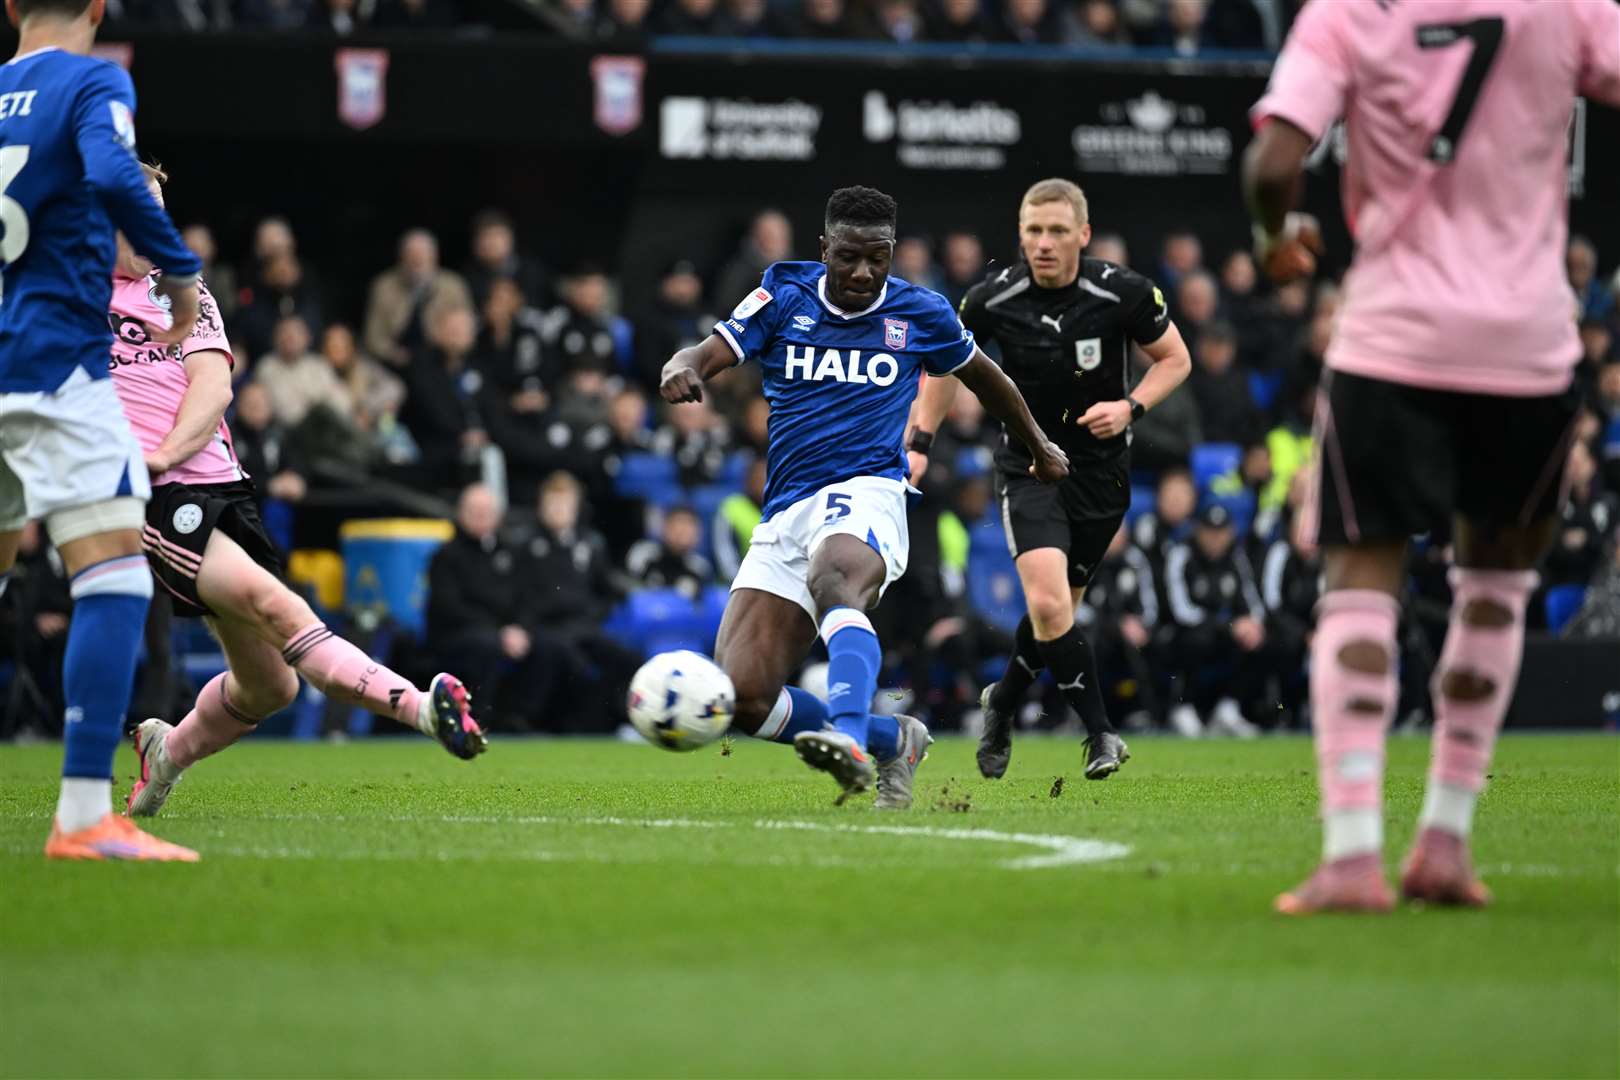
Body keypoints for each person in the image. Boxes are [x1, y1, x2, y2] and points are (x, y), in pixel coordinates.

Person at [1244, 0, 1620, 914]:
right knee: (1495, 588)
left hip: (1392, 341)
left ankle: (1351, 856)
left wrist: (1274, 237)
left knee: (1361, 580)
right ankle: (1446, 843)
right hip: (1529, 347)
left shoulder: (1346, 11)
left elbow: (1274, 164)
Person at [660, 185, 1068, 808]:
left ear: (892, 252)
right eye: (849, 256)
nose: (863, 272)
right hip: (786, 508)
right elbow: (707, 351)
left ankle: (848, 739)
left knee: (836, 575)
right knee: (742, 697)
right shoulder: (782, 293)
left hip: (868, 490)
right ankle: (889, 739)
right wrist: (679, 366)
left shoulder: (920, 312)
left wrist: (1039, 445)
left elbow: (987, 378)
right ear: (824, 248)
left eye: (877, 258)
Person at [103, 166, 485, 820]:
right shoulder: (64, 293)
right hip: (154, 494)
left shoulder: (179, 292)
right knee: (277, 606)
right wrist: (147, 463)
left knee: (269, 684)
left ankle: (165, 756)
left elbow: (213, 387)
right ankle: (424, 707)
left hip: (218, 483)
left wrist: (169, 447)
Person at [0, 0, 204, 861]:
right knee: (117, 568)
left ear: (11, 8)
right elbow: (120, 178)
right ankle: (85, 814)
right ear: (98, 7)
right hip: (57, 365)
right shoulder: (91, 80)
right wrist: (184, 276)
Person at [909, 178, 1191, 780]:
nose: (1043, 243)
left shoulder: (1122, 292)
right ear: (1020, 234)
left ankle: (1003, 701)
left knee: (1054, 617)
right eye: (1033, 231)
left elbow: (1177, 358)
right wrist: (921, 443)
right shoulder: (991, 298)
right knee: (1046, 600)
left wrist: (1131, 407)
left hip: (1102, 475)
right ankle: (1101, 734)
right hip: (1030, 465)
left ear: (1083, 235)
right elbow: (944, 366)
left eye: (1058, 231)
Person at [1162, 502, 1266, 737]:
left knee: (1258, 637)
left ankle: (1228, 707)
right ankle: (1183, 707)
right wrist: (1229, 627)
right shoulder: (1182, 554)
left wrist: (1251, 624)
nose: (1215, 538)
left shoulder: (1236, 558)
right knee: (1196, 639)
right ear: (1197, 530)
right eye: (1209, 531)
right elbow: (1181, 611)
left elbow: (1252, 602)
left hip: (1223, 632)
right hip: (1182, 632)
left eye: (1221, 532)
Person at [626, 505, 713, 599]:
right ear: (665, 528)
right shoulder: (644, 555)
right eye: (678, 523)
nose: (683, 531)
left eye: (689, 525)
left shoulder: (700, 568)